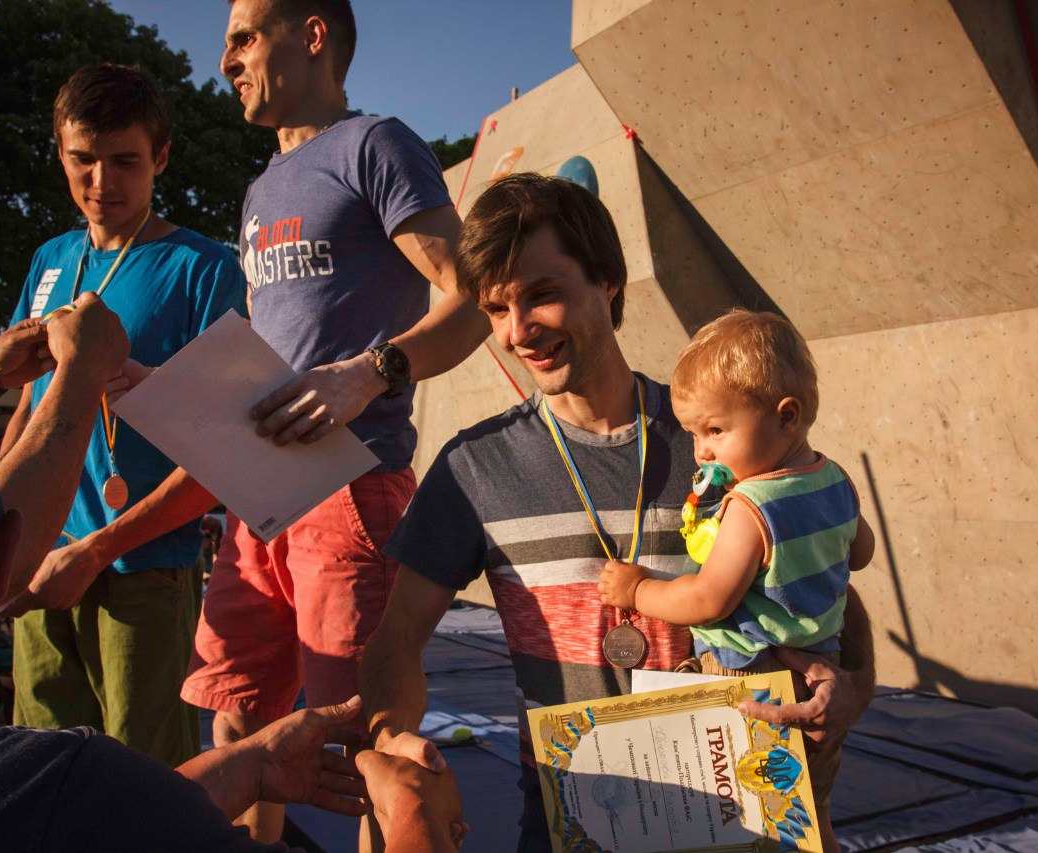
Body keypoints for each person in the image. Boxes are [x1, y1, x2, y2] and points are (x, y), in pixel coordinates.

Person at [361, 173, 877, 850]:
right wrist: (390, 735)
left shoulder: (724, 438)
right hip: (568, 827)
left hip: (742, 819)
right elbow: (396, 637)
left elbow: (827, 576)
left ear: (607, 280)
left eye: (541, 295)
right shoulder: (472, 469)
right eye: (495, 309)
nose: (518, 331)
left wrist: (852, 689)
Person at [0, 325, 464, 853]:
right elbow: (115, 814)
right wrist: (417, 812)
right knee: (350, 748)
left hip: (288, 492)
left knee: (314, 730)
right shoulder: (57, 779)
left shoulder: (1, 786)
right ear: (3, 560)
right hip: (276, 489)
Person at [181, 0, 489, 841]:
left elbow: (473, 301)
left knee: (366, 745)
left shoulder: (376, 144)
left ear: (311, 36)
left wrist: (373, 372)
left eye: (244, 37)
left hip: (352, 484)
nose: (225, 61)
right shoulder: (255, 191)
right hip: (257, 502)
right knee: (240, 725)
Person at [0, 63, 248, 768]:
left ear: (160, 157)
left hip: (143, 568)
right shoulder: (50, 261)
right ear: (59, 151)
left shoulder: (202, 269)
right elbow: (25, 412)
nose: (101, 183)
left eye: (124, 161)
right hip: (38, 562)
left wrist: (98, 548)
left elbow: (223, 454)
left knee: (140, 782)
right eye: (83, 159)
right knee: (35, 767)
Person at [598, 309, 876, 851]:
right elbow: (859, 553)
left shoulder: (749, 506)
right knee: (808, 813)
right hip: (822, 664)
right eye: (694, 433)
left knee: (737, 821)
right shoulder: (836, 478)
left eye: (716, 430)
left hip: (745, 673)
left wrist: (636, 590)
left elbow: (708, 599)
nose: (701, 452)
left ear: (786, 417)